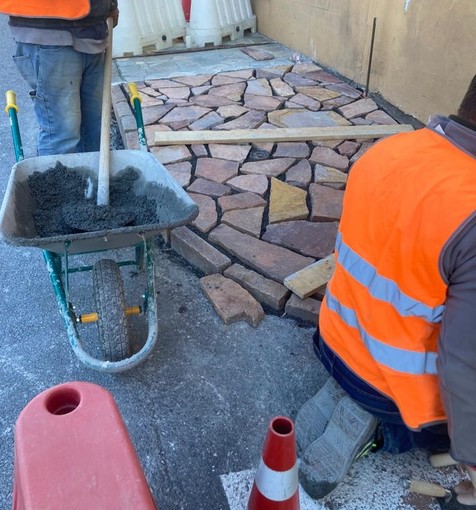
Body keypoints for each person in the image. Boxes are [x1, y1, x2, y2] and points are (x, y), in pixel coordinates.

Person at [296, 74, 476, 506]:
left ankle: (340, 395)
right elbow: (465, 363)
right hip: (392, 387)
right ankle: (377, 429)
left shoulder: (390, 150)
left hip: (335, 337)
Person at [1, 0, 119, 155]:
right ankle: (57, 178)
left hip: (92, 31)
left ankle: (91, 178)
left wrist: (109, 5)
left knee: (95, 130)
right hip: (48, 33)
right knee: (63, 134)